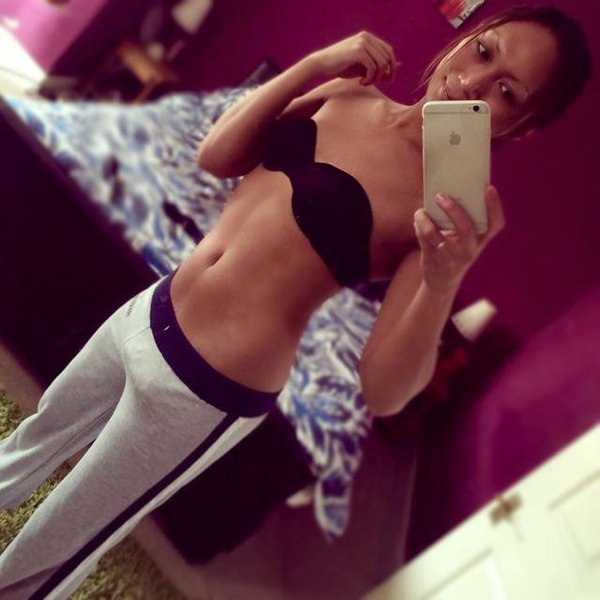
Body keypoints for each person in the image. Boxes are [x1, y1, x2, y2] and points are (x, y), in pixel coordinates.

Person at [0, 5, 590, 598]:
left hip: (207, 387)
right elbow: (217, 156)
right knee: (33, 440)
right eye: (484, 51)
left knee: (61, 539)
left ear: (521, 128)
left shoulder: (440, 213)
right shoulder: (348, 95)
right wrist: (313, 65)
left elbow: (385, 391)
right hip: (150, 310)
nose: (472, 82)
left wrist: (445, 279)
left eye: (506, 92)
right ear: (469, 36)